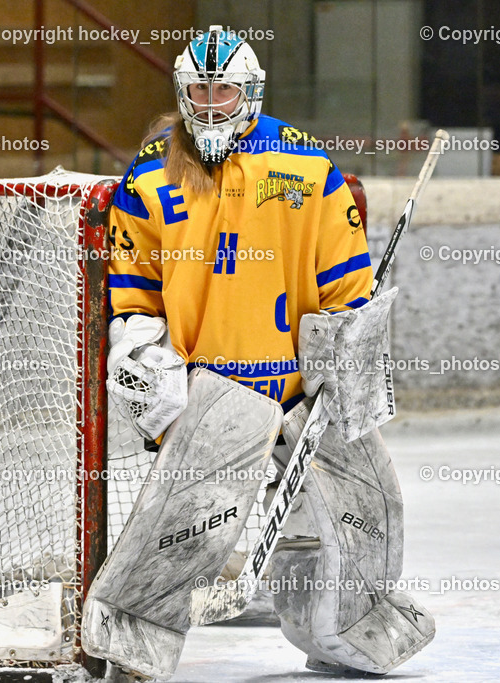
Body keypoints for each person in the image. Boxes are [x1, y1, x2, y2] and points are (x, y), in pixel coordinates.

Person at [82, 25, 434, 680]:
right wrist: (148, 367)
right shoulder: (150, 176)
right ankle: (134, 638)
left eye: (225, 89)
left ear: (252, 91)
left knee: (363, 508)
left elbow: (349, 292)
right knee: (185, 524)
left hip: (303, 387)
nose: (212, 104)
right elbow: (133, 298)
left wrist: (347, 367)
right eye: (199, 90)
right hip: (214, 390)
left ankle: (346, 628)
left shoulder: (308, 166)